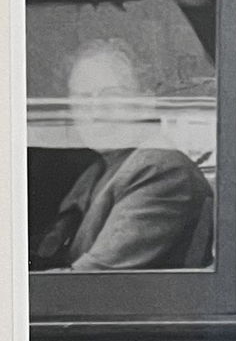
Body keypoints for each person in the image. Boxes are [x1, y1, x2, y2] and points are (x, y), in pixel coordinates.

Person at [33, 39, 213, 271]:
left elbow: (89, 280)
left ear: (146, 102)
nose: (96, 111)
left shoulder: (160, 169)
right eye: (83, 99)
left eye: (111, 95)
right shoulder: (98, 171)